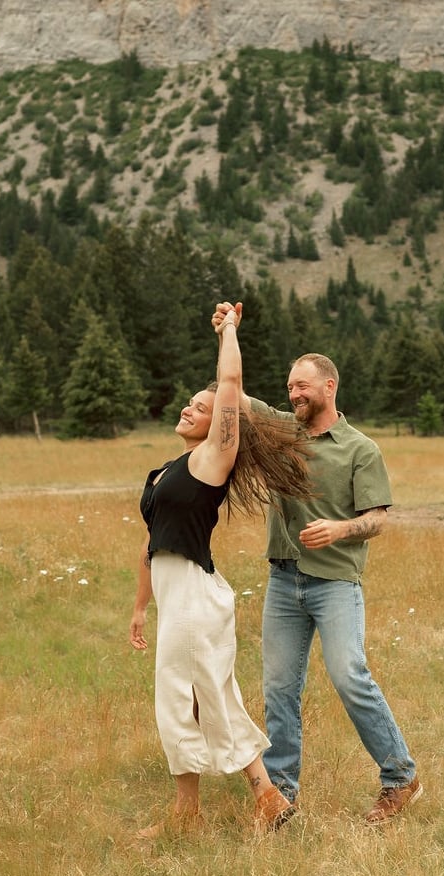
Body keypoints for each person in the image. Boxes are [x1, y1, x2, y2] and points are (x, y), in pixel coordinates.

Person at [211, 303, 422, 826]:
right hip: (284, 581)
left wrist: (340, 529)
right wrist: (228, 332)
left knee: (349, 676)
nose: (293, 394)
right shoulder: (282, 430)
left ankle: (401, 777)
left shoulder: (360, 449)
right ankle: (280, 795)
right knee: (279, 689)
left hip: (335, 583)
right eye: (289, 387)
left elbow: (377, 518)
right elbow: (232, 391)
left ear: (330, 386)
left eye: (302, 386)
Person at [129, 303, 313, 839]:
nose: (189, 409)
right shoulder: (165, 471)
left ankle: (201, 810)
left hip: (194, 594)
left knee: (189, 696)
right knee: (200, 695)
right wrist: (140, 607)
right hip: (175, 596)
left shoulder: (213, 459)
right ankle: (262, 797)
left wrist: (228, 329)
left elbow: (230, 381)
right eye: (189, 403)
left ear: (221, 424)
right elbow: (150, 545)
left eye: (202, 407)